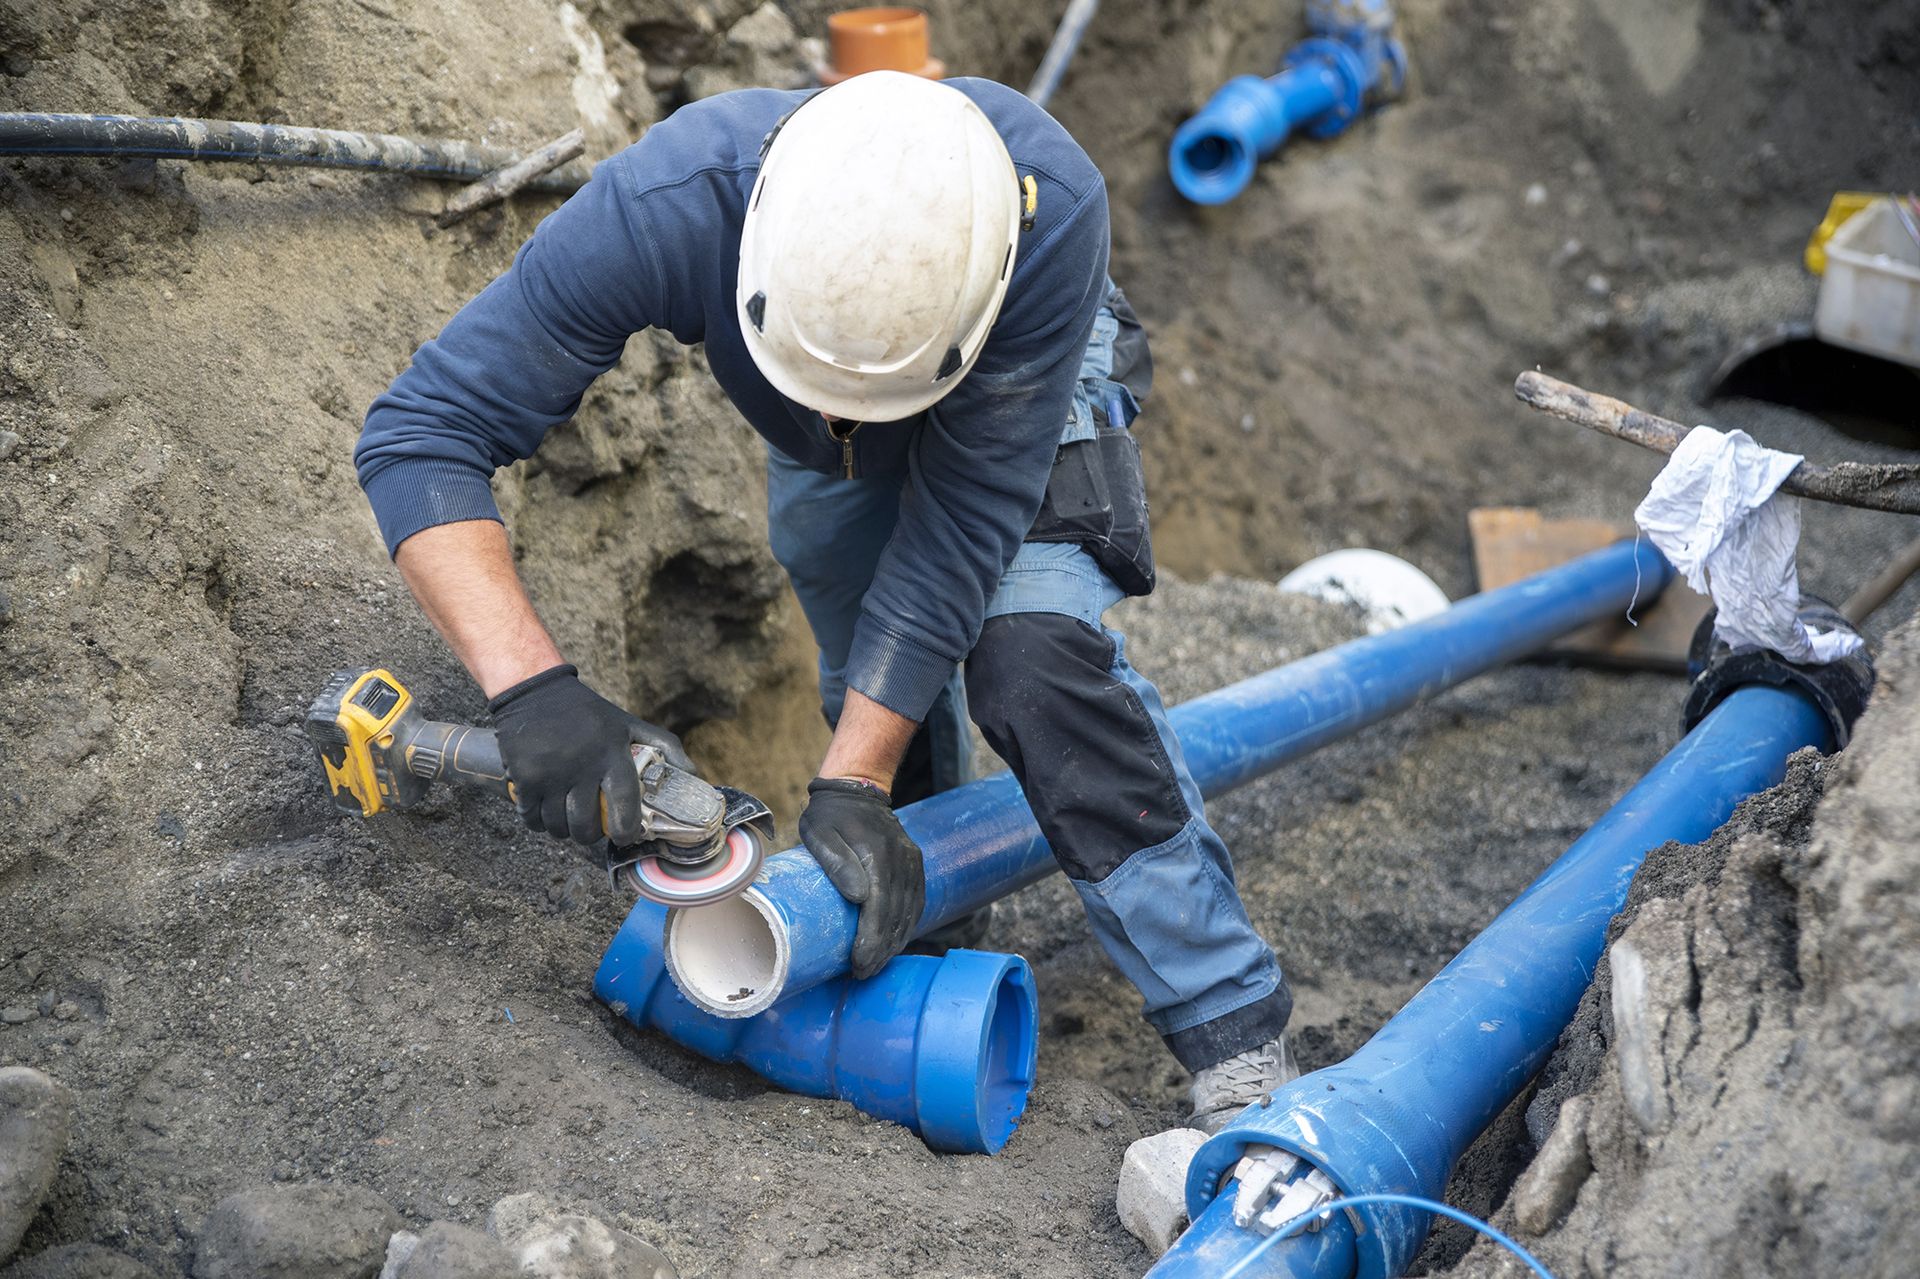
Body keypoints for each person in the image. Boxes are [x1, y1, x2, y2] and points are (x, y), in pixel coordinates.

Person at [354, 70, 1294, 1132]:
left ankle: (1233, 1030)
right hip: (816, 388)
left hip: (1019, 370)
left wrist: (852, 782)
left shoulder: (1048, 212)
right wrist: (531, 690)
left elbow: (961, 528)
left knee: (1031, 662)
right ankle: (930, 915)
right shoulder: (673, 204)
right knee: (870, 674)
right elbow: (422, 434)